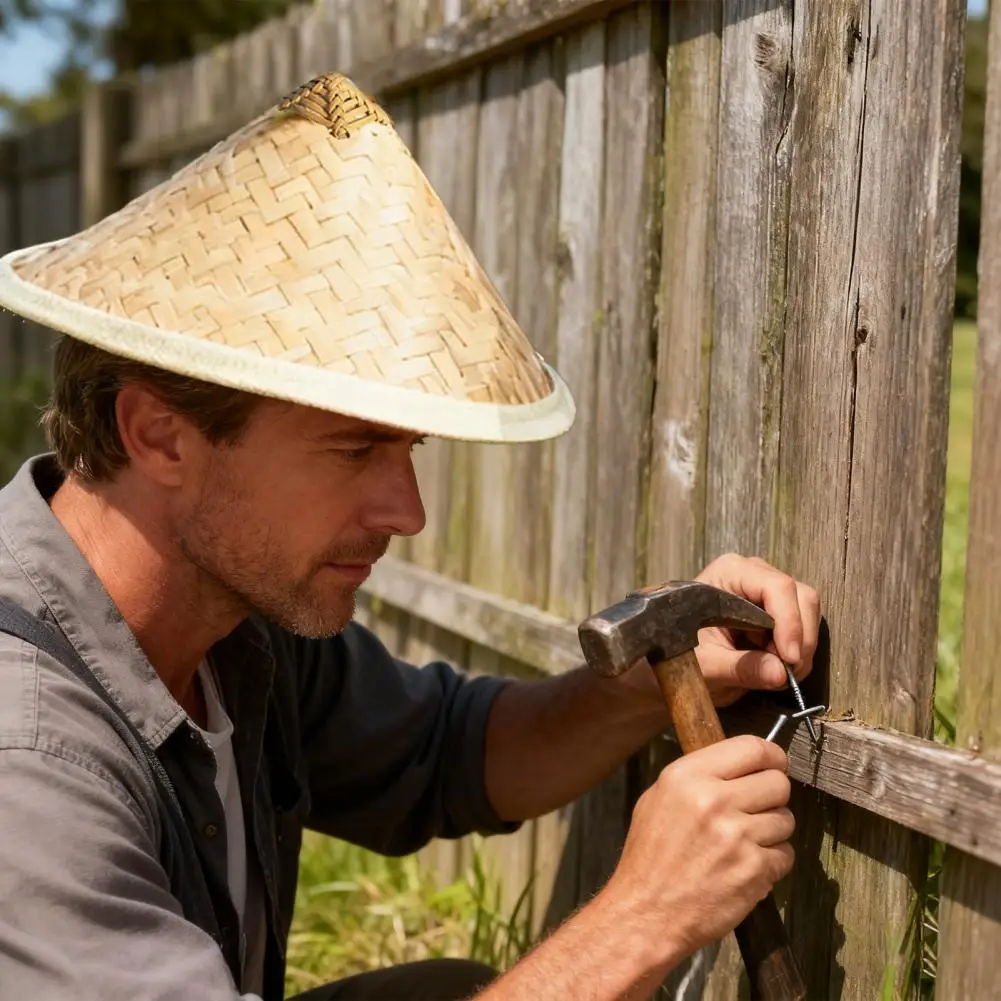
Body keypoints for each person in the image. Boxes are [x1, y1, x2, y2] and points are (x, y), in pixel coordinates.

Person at [0, 73, 819, 1001]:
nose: (408, 510)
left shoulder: (229, 626)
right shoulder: (27, 762)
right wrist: (641, 918)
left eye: (409, 448)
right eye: (354, 448)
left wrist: (652, 685)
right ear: (158, 434)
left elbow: (448, 753)